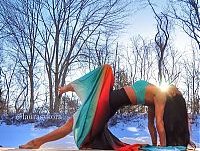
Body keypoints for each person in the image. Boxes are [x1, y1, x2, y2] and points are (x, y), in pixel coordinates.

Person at [19, 64, 191, 150]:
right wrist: (161, 147)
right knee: (105, 70)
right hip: (106, 102)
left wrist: (160, 147)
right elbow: (155, 127)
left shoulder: (159, 97)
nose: (174, 86)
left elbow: (156, 126)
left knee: (70, 125)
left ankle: (36, 142)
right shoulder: (157, 93)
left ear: (174, 95)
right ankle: (37, 142)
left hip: (107, 104)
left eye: (177, 89)